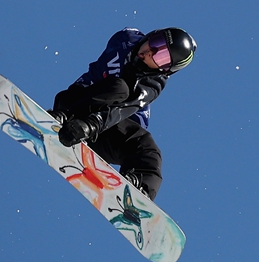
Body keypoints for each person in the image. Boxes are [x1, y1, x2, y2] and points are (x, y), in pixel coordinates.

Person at [51, 27, 196, 201]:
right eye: (156, 42)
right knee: (118, 88)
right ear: (151, 34)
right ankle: (65, 119)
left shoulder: (152, 84)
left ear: (164, 71)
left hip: (103, 131)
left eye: (161, 58)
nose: (151, 52)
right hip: (73, 104)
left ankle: (137, 189)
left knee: (147, 147)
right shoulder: (125, 39)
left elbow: (122, 109)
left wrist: (91, 125)